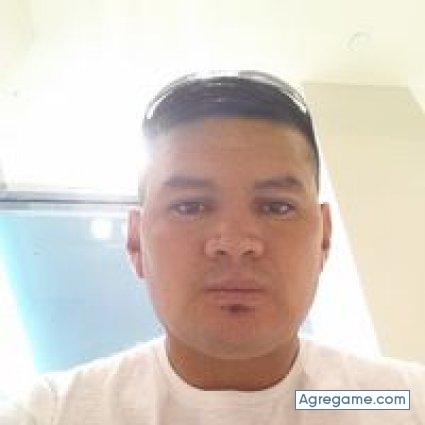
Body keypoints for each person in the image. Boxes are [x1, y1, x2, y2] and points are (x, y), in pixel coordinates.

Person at [1, 70, 424, 424]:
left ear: (324, 239)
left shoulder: (400, 400)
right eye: (189, 206)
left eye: (277, 207)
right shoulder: (52, 413)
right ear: (135, 242)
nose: (236, 244)